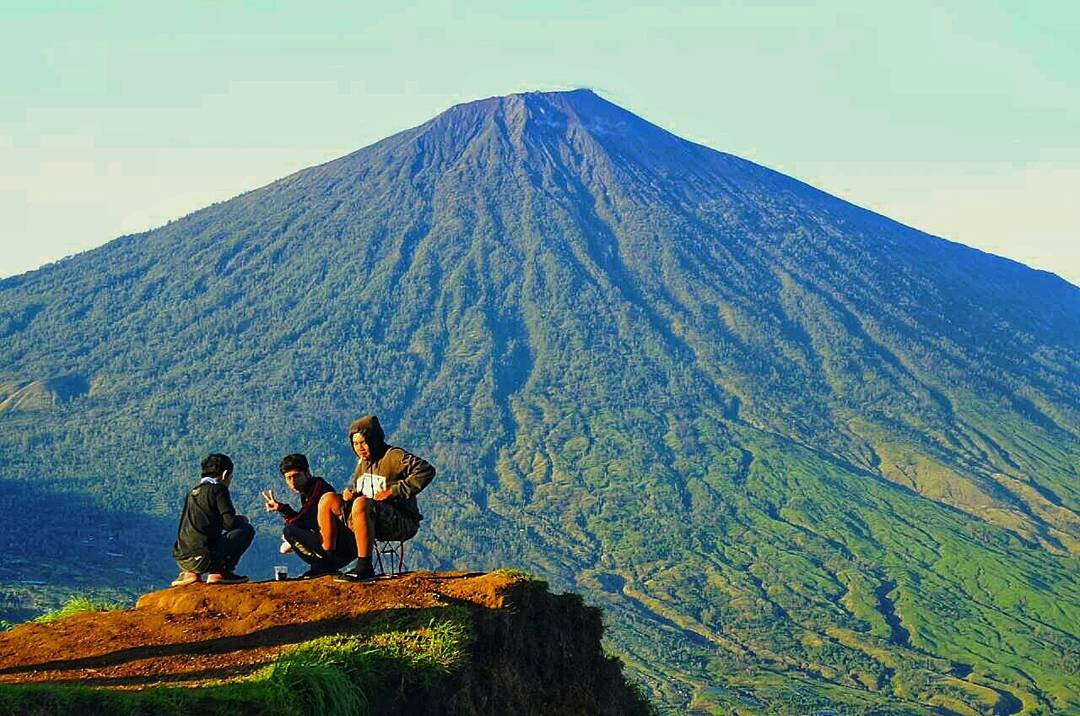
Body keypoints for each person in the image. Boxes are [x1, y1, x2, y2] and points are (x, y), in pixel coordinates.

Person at [334, 415, 435, 581]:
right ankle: (327, 563)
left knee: (361, 504)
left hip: (401, 521)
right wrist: (351, 495)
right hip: (371, 517)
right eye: (355, 444)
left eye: (363, 442)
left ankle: (364, 566)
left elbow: (426, 470)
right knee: (329, 500)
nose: (359, 448)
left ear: (373, 440)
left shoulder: (393, 456)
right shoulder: (363, 463)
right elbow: (364, 494)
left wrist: (394, 491)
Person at [262, 453, 356, 578]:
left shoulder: (318, 489)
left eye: (296, 476)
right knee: (291, 534)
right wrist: (281, 509)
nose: (293, 482)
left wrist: (283, 509)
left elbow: (302, 519)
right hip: (335, 546)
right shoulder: (306, 492)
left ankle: (323, 567)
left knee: (289, 531)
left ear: (307, 473)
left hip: (342, 546)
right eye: (288, 478)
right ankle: (321, 566)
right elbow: (307, 519)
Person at [171, 453, 254, 586]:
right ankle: (220, 572)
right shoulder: (218, 489)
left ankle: (189, 574)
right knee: (247, 530)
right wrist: (242, 520)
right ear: (225, 474)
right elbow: (230, 523)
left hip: (183, 559)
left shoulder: (192, 492)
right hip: (204, 559)